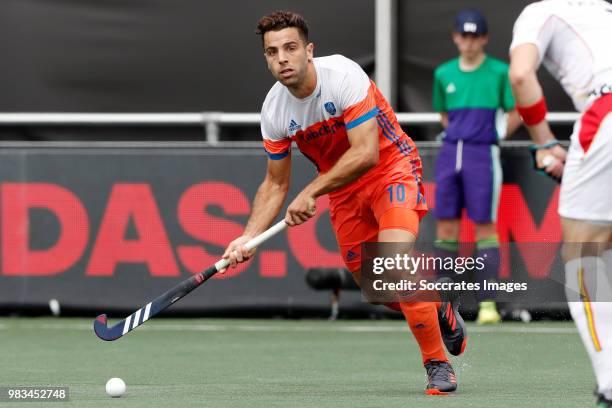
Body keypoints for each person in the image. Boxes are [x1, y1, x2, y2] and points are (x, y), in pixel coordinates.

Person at [220, 11, 466, 395]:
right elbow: (274, 184)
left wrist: (312, 191)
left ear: (308, 50)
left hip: (391, 170)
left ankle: (437, 363)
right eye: (272, 52)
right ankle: (436, 305)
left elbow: (366, 152)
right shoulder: (274, 111)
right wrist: (247, 238)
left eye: (290, 48)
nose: (282, 58)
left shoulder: (343, 76)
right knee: (378, 288)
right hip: (344, 192)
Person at [508, 1, 612, 406]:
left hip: (605, 116)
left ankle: (609, 382)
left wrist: (545, 143)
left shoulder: (542, 11)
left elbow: (520, 74)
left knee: (584, 252)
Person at [432, 9, 521, 324]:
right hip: (448, 153)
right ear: (456, 36)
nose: (468, 42)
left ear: (483, 38)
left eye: (474, 36)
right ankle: (443, 306)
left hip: (482, 154)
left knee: (485, 227)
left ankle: (487, 305)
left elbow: (516, 111)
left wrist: (493, 135)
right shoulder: (443, 74)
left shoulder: (499, 72)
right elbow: (444, 115)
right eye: (463, 35)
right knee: (446, 227)